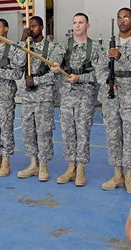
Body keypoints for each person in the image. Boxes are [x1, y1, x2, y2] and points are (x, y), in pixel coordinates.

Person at [96, 8, 131, 195]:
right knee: (113, 136)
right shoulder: (108, 46)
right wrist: (106, 81)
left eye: (126, 17)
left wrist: (121, 57)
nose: (122, 21)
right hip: (112, 96)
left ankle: (129, 175)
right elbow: (99, 67)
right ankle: (117, 174)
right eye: (119, 18)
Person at [13, 16, 63, 182]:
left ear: (41, 27)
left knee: (43, 131)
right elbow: (17, 63)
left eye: (34, 27)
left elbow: (56, 73)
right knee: (28, 131)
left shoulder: (53, 47)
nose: (31, 29)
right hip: (27, 96)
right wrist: (22, 41)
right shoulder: (26, 46)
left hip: (44, 95)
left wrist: (37, 80)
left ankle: (43, 165)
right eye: (29, 27)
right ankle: (33, 163)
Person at [54, 13, 101, 187]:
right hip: (67, 95)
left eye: (81, 22)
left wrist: (80, 78)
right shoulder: (63, 45)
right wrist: (55, 66)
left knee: (82, 132)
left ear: (88, 25)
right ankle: (70, 167)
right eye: (74, 22)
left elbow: (99, 74)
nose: (77, 25)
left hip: (85, 96)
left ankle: (81, 168)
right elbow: (55, 61)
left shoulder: (95, 47)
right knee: (67, 132)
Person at [0, 18, 23, 176]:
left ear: (6, 29)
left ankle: (6, 160)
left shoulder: (13, 49)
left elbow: (18, 73)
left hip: (5, 95)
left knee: (5, 128)